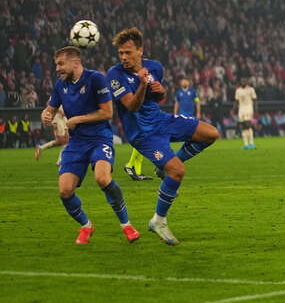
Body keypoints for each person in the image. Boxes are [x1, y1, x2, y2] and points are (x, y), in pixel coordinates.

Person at [107, 27, 219, 245]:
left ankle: (161, 168)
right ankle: (158, 220)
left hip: (161, 120)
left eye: (128, 52)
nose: (123, 57)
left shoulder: (155, 67)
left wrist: (159, 90)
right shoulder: (115, 75)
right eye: (120, 53)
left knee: (211, 134)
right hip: (143, 134)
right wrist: (141, 84)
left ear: (140, 51)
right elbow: (131, 106)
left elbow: (159, 96)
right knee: (177, 171)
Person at [41, 46, 140, 244]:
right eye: (56, 65)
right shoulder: (60, 85)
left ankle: (126, 225)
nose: (58, 69)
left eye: (61, 64)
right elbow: (50, 108)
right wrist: (46, 114)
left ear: (75, 62)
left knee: (102, 179)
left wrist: (77, 119)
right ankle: (86, 226)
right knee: (65, 190)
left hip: (99, 138)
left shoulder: (95, 79)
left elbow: (107, 113)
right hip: (76, 143)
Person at [234, 78, 257, 150]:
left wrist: (256, 110)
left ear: (247, 82)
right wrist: (234, 109)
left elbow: (255, 100)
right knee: (243, 126)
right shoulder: (238, 90)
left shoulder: (251, 89)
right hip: (241, 110)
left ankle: (251, 143)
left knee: (248, 125)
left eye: (244, 81)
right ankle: (246, 144)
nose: (243, 82)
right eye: (242, 81)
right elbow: (236, 101)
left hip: (249, 109)